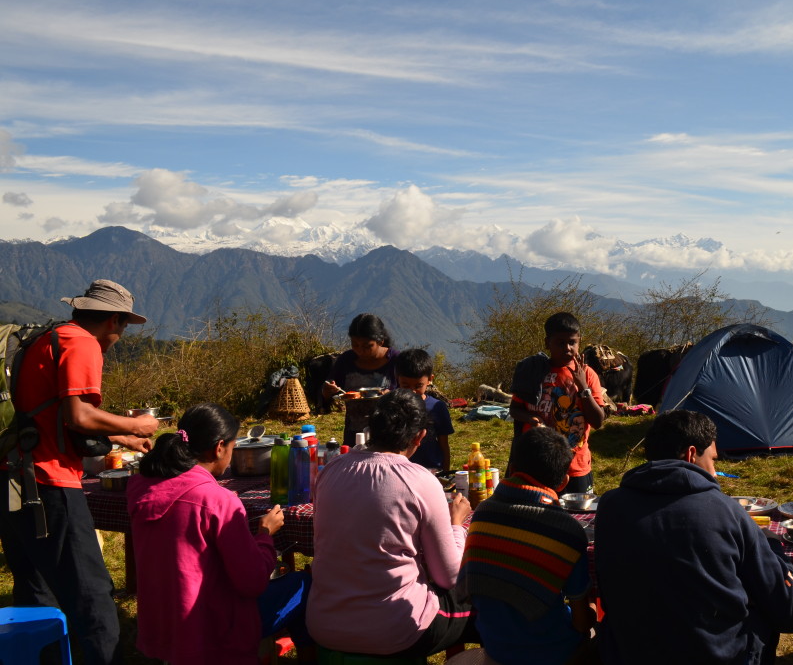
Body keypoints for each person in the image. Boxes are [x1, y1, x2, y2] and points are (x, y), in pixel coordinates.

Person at [0, 279, 158, 665]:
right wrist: (137, 426)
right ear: (114, 321)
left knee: (36, 587)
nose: (119, 336)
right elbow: (78, 415)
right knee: (93, 594)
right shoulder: (83, 343)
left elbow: (52, 414)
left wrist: (122, 437)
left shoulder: (48, 338)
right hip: (49, 486)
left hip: (12, 480)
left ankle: (42, 657)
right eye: (122, 327)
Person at [594, 410, 793, 665]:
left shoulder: (609, 506)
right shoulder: (727, 512)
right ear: (691, 454)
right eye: (713, 460)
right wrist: (773, 544)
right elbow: (791, 615)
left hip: (629, 653)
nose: (715, 472)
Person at [127, 403, 313, 665]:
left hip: (162, 627)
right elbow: (252, 582)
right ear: (219, 448)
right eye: (233, 448)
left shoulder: (140, 486)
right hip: (212, 630)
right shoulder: (217, 500)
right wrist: (264, 535)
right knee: (304, 585)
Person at [307, 388, 474, 657]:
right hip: (397, 630)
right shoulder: (419, 480)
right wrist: (456, 525)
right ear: (419, 437)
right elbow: (448, 575)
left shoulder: (332, 470)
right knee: (480, 601)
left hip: (324, 624)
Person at [462, 426, 595, 665]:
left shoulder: (482, 513)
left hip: (495, 647)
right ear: (564, 482)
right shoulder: (567, 530)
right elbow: (580, 621)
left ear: (512, 469)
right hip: (551, 652)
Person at [509, 312, 604, 494]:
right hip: (536, 463)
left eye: (572, 342)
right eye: (560, 343)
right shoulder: (533, 371)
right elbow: (515, 409)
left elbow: (598, 422)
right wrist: (532, 418)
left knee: (577, 517)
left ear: (579, 341)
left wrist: (583, 388)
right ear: (547, 343)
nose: (567, 348)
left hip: (575, 465)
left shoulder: (588, 374)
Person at [321, 313, 400, 446]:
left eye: (367, 346)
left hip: (389, 434)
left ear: (380, 342)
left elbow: (410, 393)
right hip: (354, 434)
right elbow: (327, 390)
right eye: (355, 345)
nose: (360, 350)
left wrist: (393, 395)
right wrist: (328, 390)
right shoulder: (346, 360)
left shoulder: (395, 361)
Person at [397, 348, 453, 472]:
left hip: (431, 469)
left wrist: (446, 472)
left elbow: (444, 444)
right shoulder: (394, 406)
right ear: (397, 379)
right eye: (406, 386)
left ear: (430, 379)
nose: (412, 391)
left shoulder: (437, 407)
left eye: (418, 386)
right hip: (402, 470)